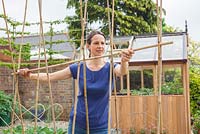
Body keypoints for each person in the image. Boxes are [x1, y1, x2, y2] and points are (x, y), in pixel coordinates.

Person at [18, 30, 134, 134]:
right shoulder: (78, 67)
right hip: (78, 123)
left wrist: (124, 60)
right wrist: (30, 75)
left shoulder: (111, 67)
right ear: (88, 46)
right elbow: (51, 76)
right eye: (96, 43)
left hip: (101, 125)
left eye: (103, 43)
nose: (100, 46)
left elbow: (123, 72)